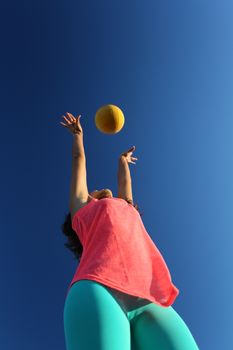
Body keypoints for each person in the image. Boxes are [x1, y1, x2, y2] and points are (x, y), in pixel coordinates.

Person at [60, 112, 200, 350]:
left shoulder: (126, 206)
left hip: (148, 297)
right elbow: (78, 159)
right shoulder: (82, 210)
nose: (97, 190)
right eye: (92, 191)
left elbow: (126, 190)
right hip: (99, 289)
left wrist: (123, 162)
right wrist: (77, 136)